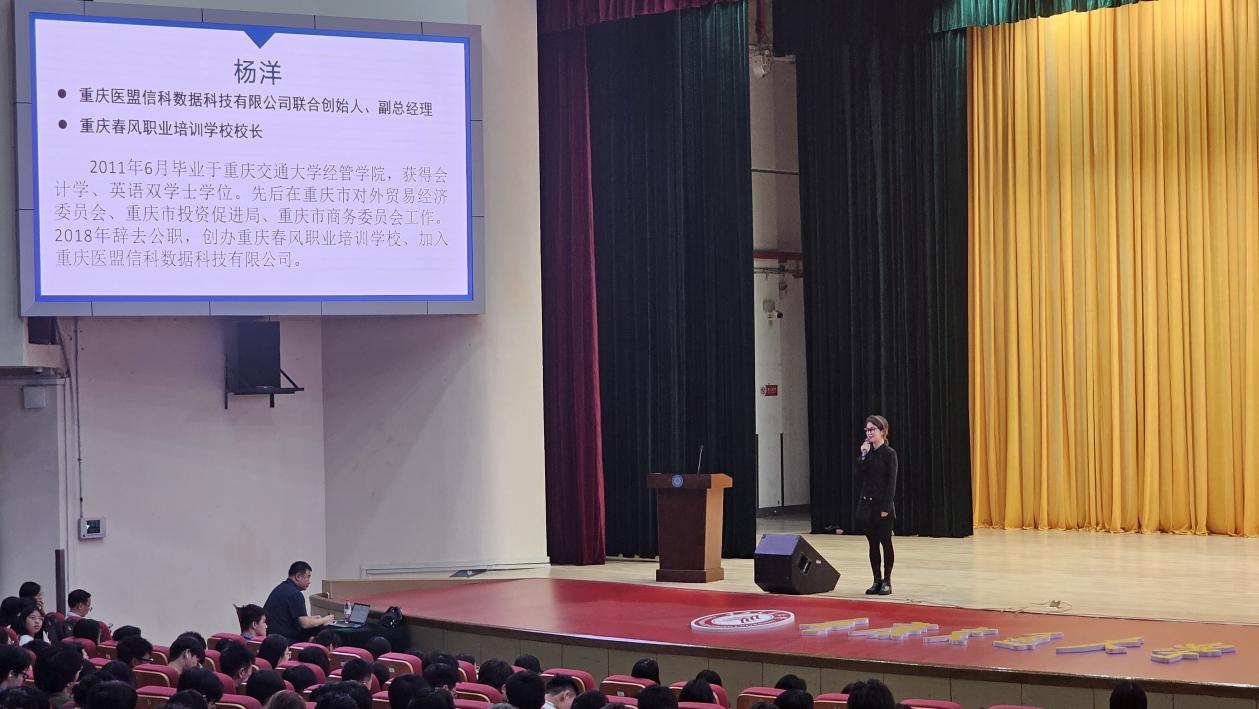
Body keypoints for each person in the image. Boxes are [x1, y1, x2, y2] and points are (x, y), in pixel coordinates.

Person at [856, 415, 897, 596]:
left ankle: (887, 581)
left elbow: (891, 483)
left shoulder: (889, 454)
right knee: (872, 544)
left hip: (882, 507)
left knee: (885, 542)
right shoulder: (867, 453)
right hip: (867, 506)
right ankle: (876, 580)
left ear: (882, 431)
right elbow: (859, 476)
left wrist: (886, 508)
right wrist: (863, 455)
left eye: (872, 429)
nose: (869, 433)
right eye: (867, 429)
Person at [263, 562, 333, 642]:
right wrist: (325, 619)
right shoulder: (295, 594)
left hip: (272, 637)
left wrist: (312, 618)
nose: (309, 581)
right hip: (284, 640)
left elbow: (291, 617)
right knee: (324, 632)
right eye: (308, 577)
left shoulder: (281, 588)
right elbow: (305, 624)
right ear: (298, 576)